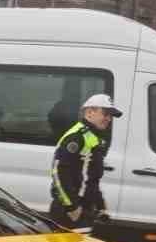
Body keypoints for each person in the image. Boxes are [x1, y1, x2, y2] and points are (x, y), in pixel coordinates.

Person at [49, 92, 122, 228]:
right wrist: (71, 207)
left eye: (111, 115)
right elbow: (58, 172)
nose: (109, 119)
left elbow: (91, 177)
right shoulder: (77, 136)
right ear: (89, 112)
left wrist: (100, 205)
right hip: (69, 210)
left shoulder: (93, 137)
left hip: (84, 208)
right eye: (105, 113)